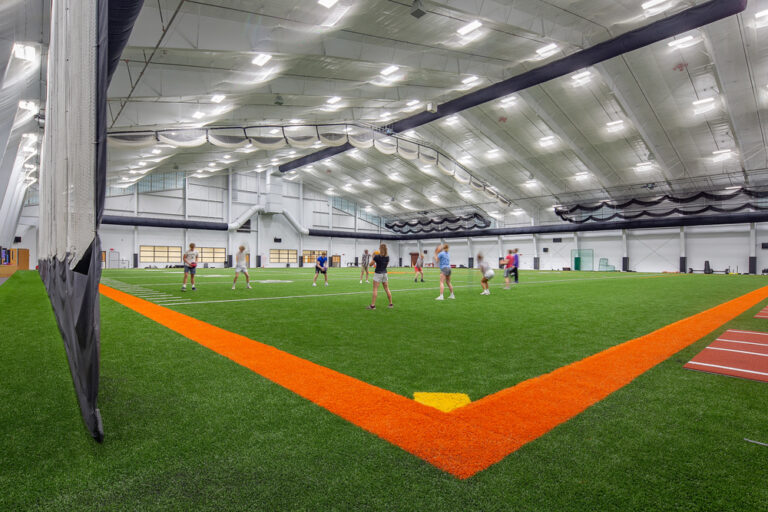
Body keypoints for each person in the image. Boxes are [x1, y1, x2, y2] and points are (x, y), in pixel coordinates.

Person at [367, 244, 393, 309]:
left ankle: (372, 305)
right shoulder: (387, 257)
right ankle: (391, 304)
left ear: (380, 249)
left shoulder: (377, 257)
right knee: (387, 289)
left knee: (375, 289)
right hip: (385, 273)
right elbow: (386, 266)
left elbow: (370, 264)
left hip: (378, 273)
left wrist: (373, 257)